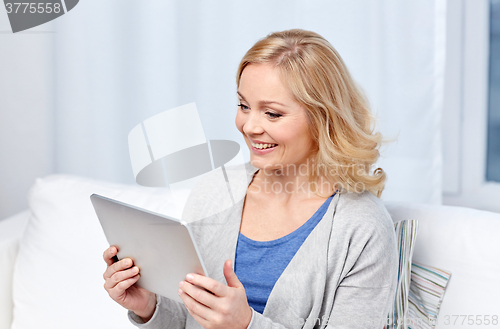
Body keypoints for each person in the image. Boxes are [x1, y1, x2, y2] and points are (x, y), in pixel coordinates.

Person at [102, 29, 398, 329]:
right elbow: (186, 319)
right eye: (244, 106)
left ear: (323, 119)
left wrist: (245, 324)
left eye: (272, 114)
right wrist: (149, 307)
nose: (249, 126)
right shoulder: (216, 190)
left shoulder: (363, 228)